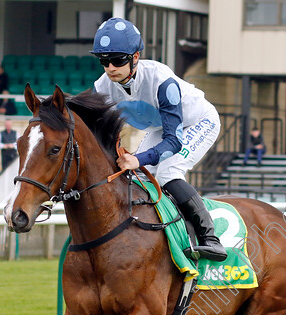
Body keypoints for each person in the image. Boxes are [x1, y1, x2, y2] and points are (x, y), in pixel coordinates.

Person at [90, 17, 226, 261]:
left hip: (197, 122)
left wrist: (137, 157)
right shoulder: (102, 86)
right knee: (139, 177)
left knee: (167, 172)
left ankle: (210, 238)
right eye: (104, 61)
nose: (110, 67)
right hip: (161, 128)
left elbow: (174, 141)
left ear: (135, 57)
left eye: (117, 60)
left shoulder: (162, 80)